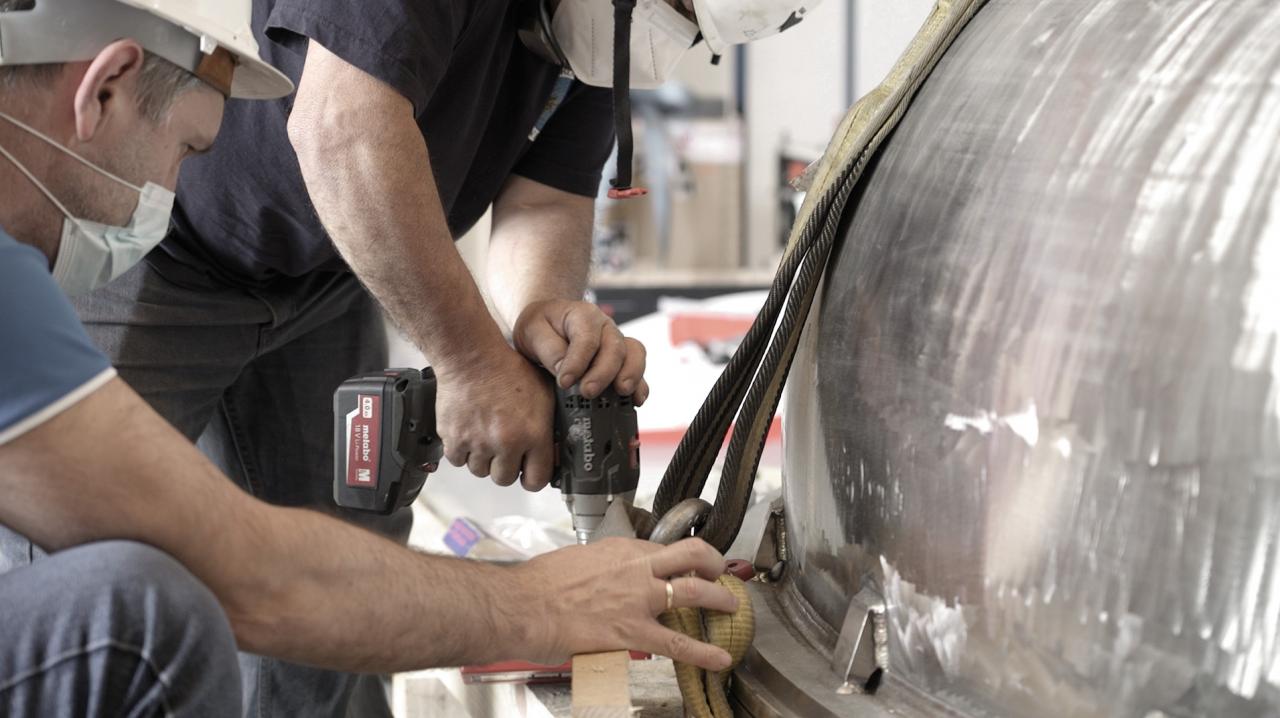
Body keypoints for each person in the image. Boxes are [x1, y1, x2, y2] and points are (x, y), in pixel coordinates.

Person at [70, 0, 821, 713]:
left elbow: (548, 198)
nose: (672, 36)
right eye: (677, 9)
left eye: (695, 31)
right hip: (157, 239)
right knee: (86, 571)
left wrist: (542, 314)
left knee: (342, 578)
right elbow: (340, 128)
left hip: (329, 274)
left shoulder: (596, 31)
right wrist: (470, 363)